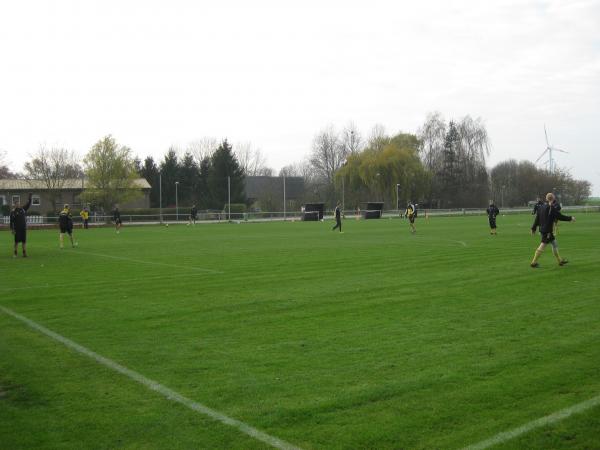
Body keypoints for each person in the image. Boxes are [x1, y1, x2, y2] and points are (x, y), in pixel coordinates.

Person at [530, 192, 575, 268]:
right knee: (543, 245)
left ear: (546, 199)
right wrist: (570, 218)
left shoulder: (541, 207)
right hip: (547, 231)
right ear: (553, 199)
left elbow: (537, 219)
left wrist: (533, 228)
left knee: (554, 244)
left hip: (543, 230)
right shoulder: (551, 208)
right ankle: (533, 262)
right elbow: (560, 216)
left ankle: (560, 261)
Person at [9, 193, 32, 257]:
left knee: (24, 241)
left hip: (23, 228)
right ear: (14, 204)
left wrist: (29, 198)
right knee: (16, 242)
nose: (18, 204)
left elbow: (28, 204)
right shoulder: (13, 212)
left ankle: (24, 253)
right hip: (17, 229)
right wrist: (12, 229)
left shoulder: (23, 209)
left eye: (18, 203)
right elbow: (11, 221)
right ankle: (15, 253)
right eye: (16, 204)